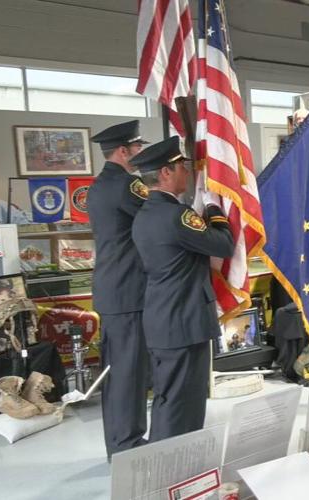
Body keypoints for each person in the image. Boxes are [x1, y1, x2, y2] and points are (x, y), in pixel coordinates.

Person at [130, 136, 234, 442]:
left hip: (164, 318)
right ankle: (169, 473)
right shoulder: (177, 217)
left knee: (169, 399)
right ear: (165, 173)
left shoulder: (144, 215)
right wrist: (214, 207)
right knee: (183, 404)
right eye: (181, 168)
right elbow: (224, 244)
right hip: (184, 321)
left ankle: (165, 468)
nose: (187, 173)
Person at [86, 120, 150, 457]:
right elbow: (157, 216)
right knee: (129, 371)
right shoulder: (127, 185)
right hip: (128, 289)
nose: (141, 153)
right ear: (124, 151)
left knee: (119, 370)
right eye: (138, 147)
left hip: (114, 287)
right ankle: (128, 445)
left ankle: (120, 443)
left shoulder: (99, 185)